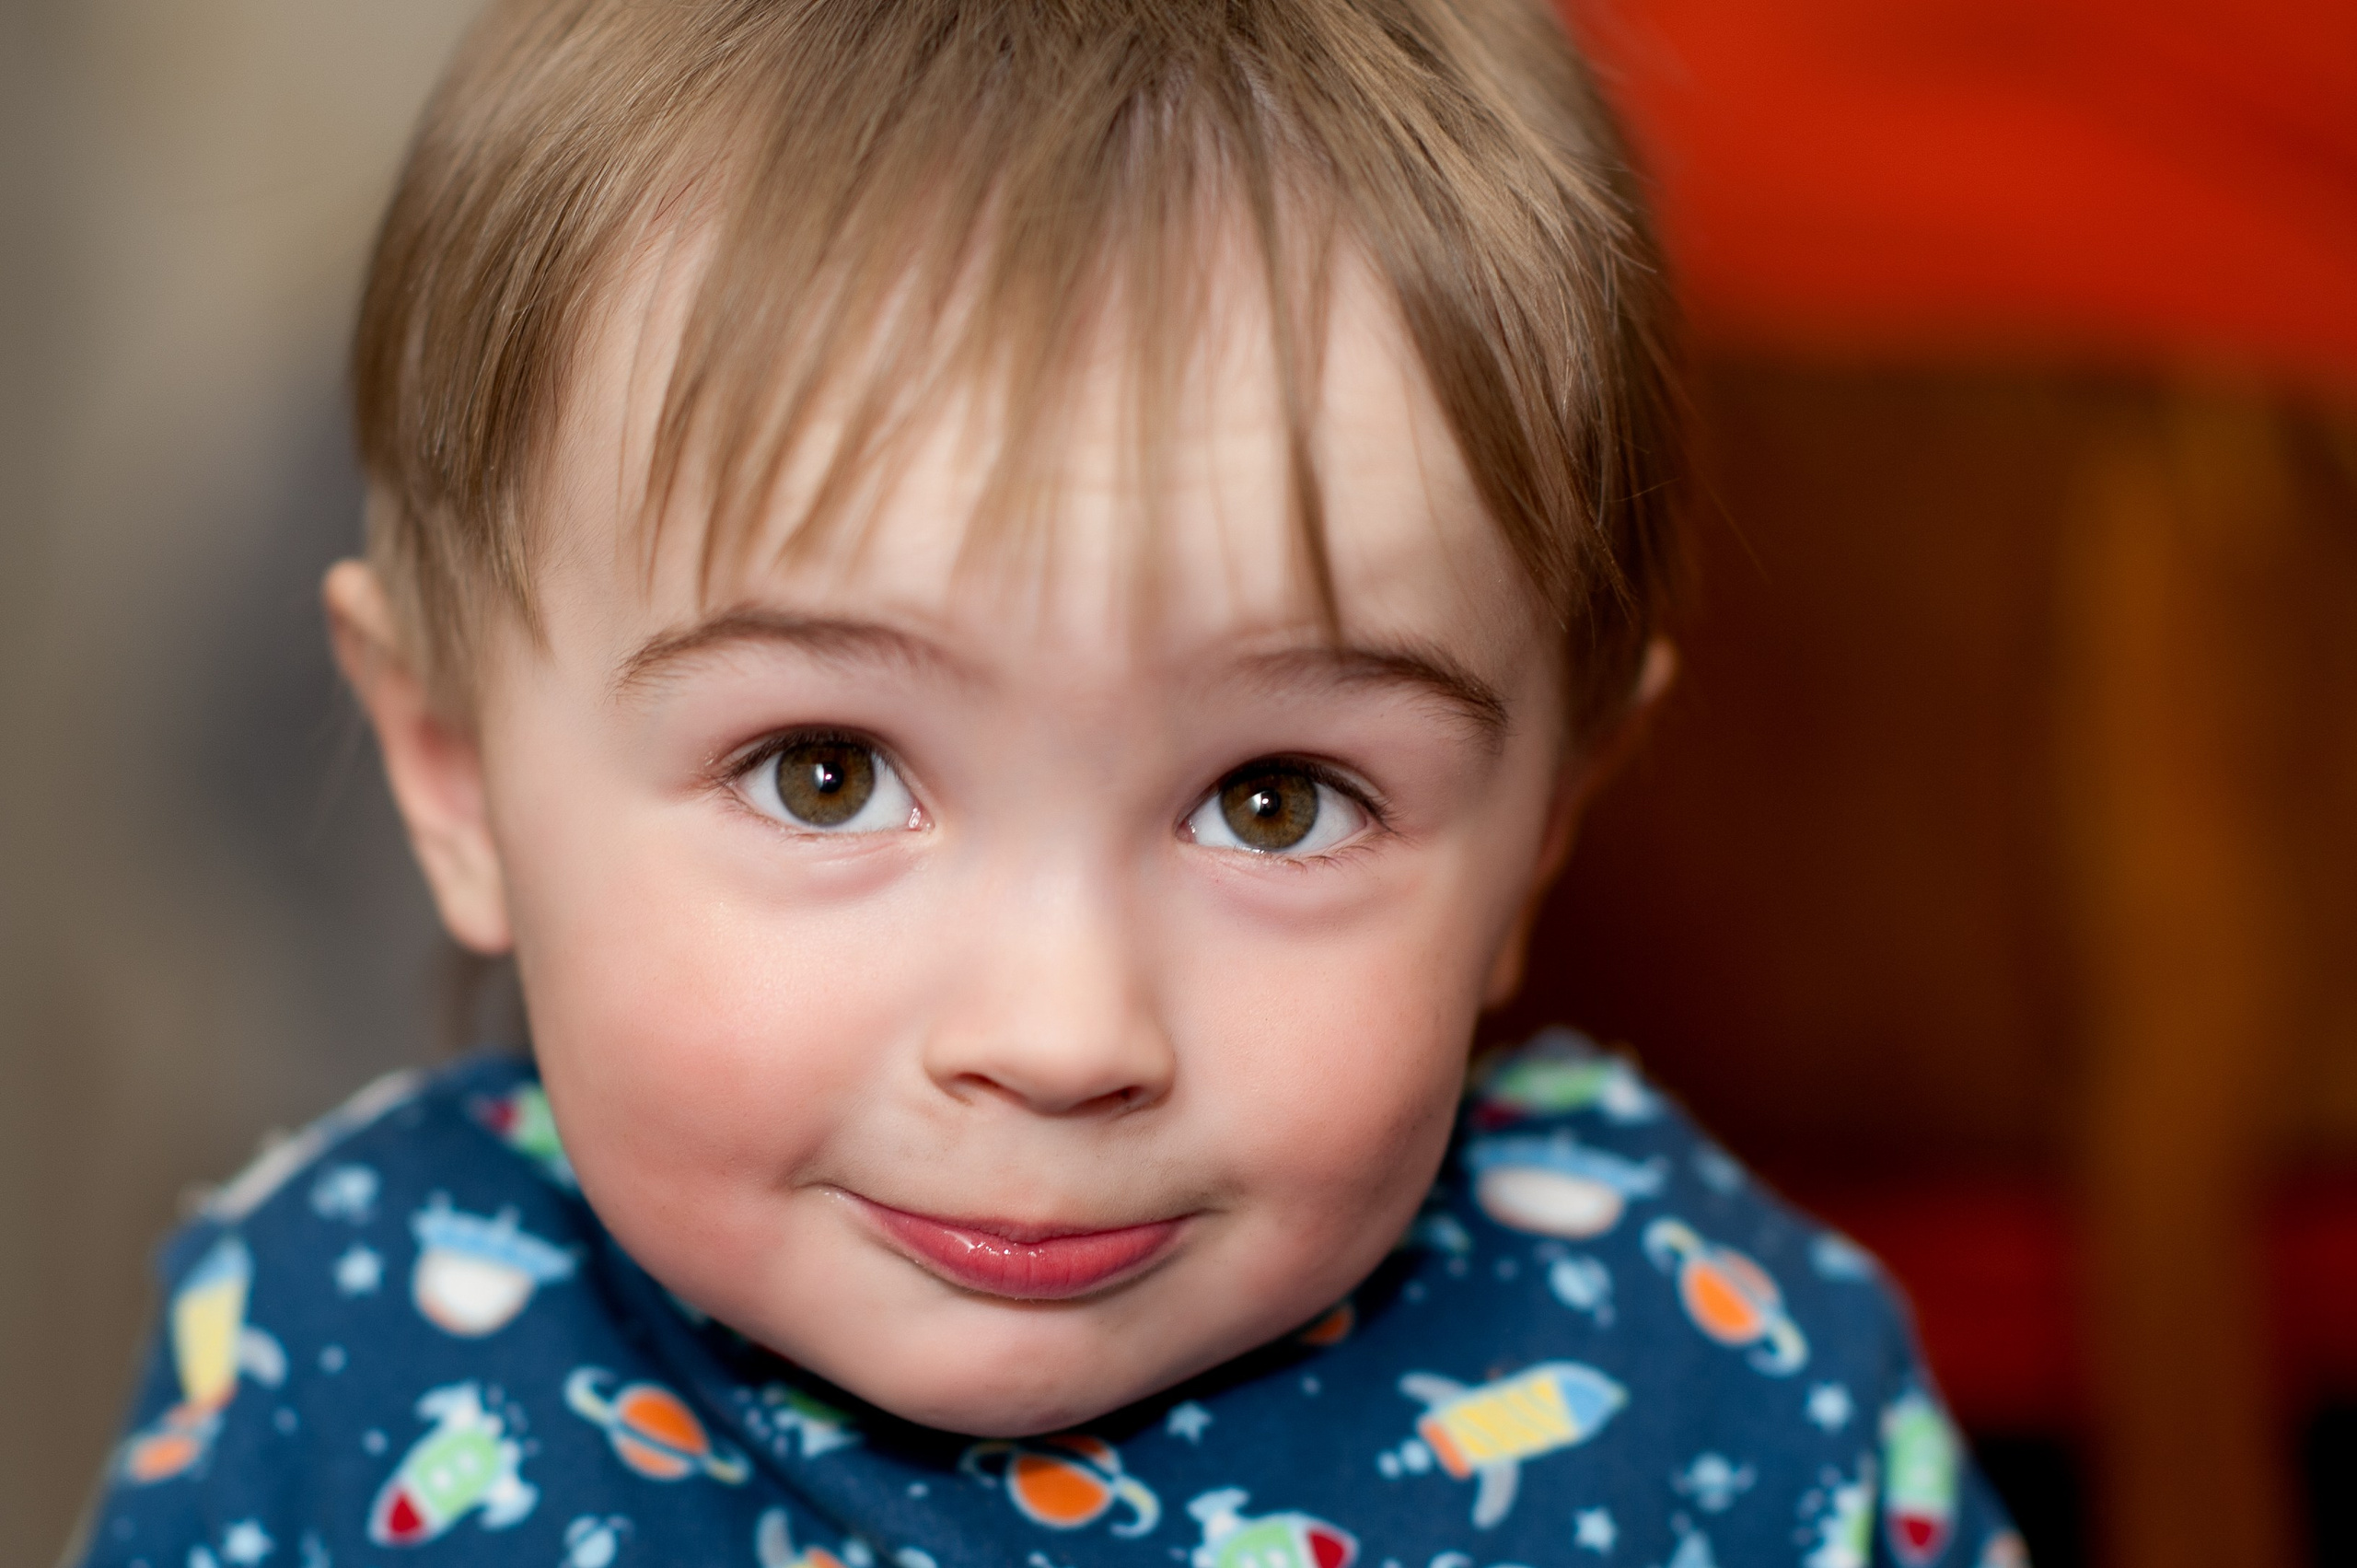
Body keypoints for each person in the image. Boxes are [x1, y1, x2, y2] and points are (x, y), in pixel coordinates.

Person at [72, 3, 2025, 1565]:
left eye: (1277, 798)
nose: (1061, 1032)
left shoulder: (1719, 1383)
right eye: (822, 774)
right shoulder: (329, 1359)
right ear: (457, 774)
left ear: (1543, 830)